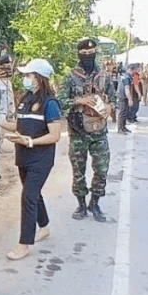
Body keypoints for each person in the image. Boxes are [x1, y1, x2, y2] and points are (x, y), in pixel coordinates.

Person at [0, 59, 62, 261]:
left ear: (40, 78)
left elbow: (55, 134)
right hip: (23, 155)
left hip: (40, 159)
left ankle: (24, 244)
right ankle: (44, 226)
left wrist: (32, 142)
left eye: (28, 75)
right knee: (33, 193)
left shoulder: (50, 104)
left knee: (28, 197)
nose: (25, 79)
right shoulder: (26, 99)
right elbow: (19, 124)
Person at [59, 38, 113, 222]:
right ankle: (81, 205)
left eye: (91, 54)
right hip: (78, 132)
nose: (88, 57)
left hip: (99, 132)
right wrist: (78, 101)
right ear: (79, 55)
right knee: (78, 170)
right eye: (85, 55)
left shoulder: (104, 76)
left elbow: (113, 100)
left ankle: (95, 203)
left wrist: (109, 109)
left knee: (102, 168)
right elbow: (59, 103)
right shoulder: (71, 77)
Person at [0, 54, 16, 156]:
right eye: (5, 66)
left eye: (9, 66)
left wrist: (12, 116)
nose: (8, 68)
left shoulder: (8, 83)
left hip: (5, 118)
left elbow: (10, 101)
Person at [116, 63, 134, 134]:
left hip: (122, 96)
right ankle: (120, 129)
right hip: (122, 97)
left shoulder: (125, 76)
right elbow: (126, 89)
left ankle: (123, 127)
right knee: (122, 113)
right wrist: (130, 99)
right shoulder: (126, 77)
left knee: (124, 112)